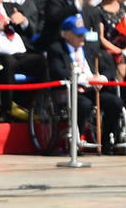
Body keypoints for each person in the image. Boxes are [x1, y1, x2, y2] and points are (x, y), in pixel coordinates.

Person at [47, 14, 124, 154]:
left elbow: (108, 67)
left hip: (93, 88)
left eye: (83, 34)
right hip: (71, 90)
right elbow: (58, 71)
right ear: (66, 34)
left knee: (115, 102)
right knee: (84, 104)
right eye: (78, 35)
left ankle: (106, 141)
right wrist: (83, 79)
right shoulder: (56, 49)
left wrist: (102, 78)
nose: (82, 38)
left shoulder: (89, 47)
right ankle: (75, 142)